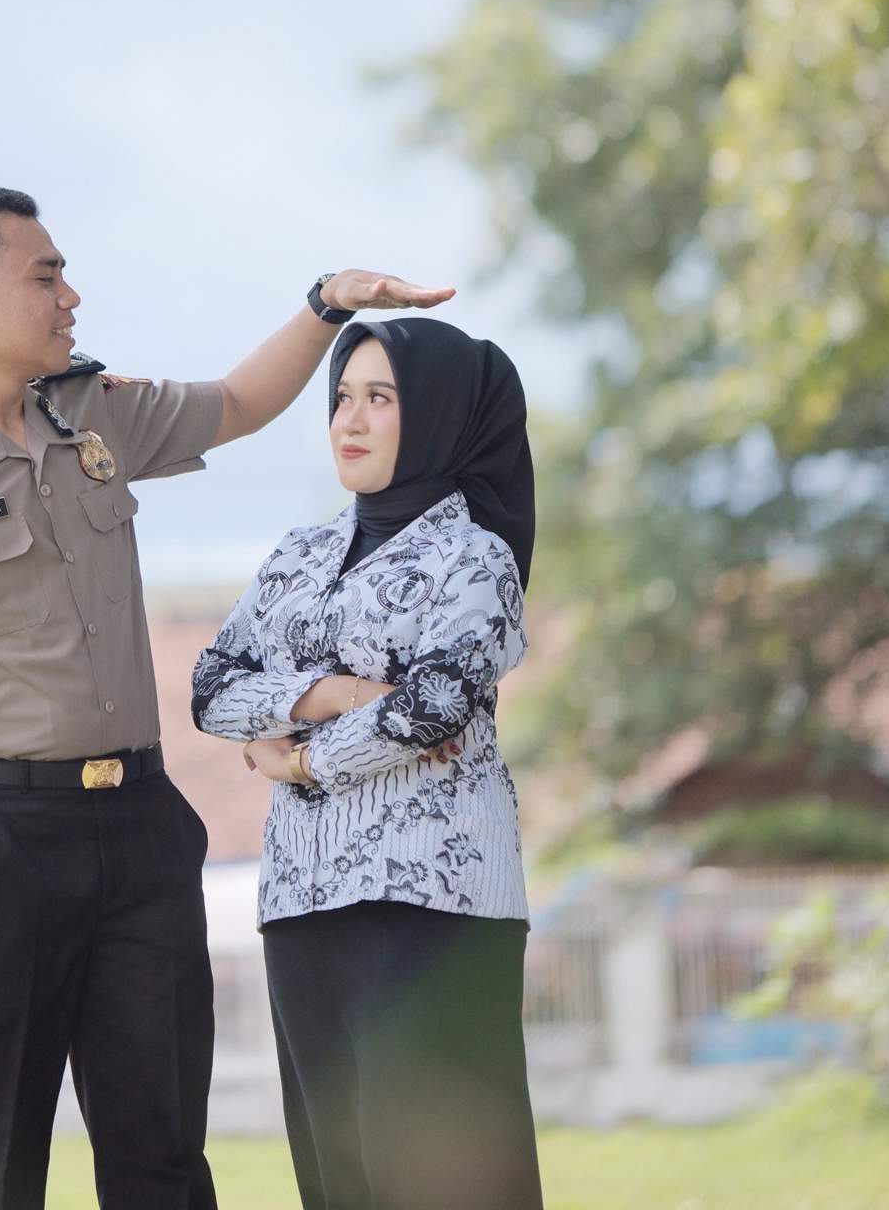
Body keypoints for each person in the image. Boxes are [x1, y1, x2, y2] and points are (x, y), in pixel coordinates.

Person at [0, 184, 453, 1210]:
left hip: (140, 830)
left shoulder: (91, 412)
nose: (70, 296)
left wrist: (324, 304)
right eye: (46, 276)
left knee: (163, 1162)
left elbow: (236, 404)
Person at [191, 316, 543, 1210]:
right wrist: (338, 694)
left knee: (443, 1181)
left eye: (380, 398)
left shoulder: (477, 560)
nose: (349, 419)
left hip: (433, 901)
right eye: (342, 397)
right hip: (301, 899)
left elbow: (433, 707)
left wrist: (297, 764)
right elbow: (211, 689)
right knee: (338, 1176)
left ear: (437, 417)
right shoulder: (297, 555)